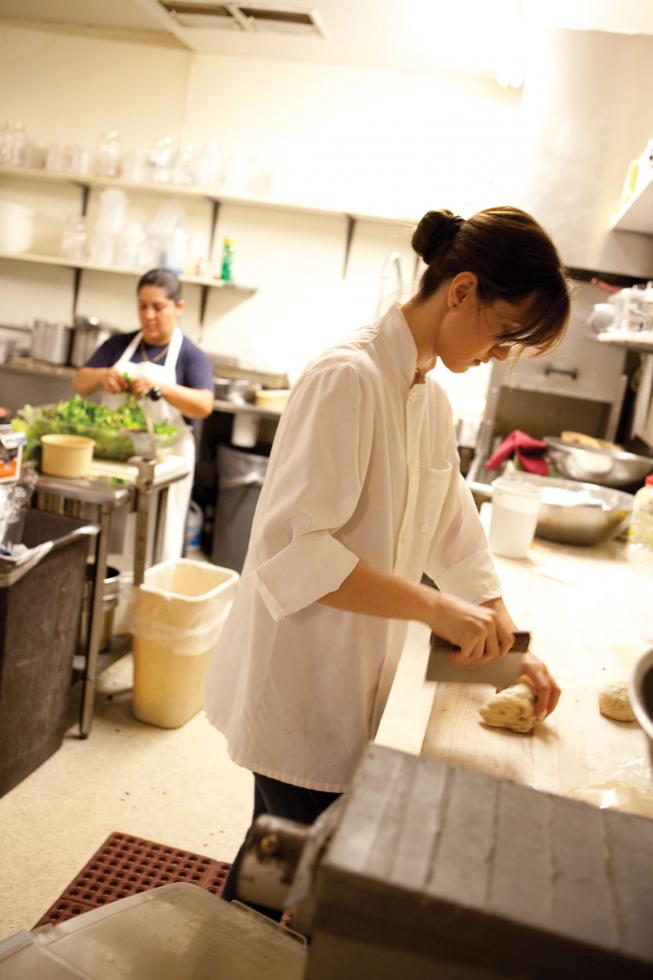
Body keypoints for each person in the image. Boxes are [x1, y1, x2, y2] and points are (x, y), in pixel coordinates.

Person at [205, 206, 571, 907]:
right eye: (501, 338)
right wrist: (438, 609)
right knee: (278, 870)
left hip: (356, 671)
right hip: (303, 675)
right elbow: (294, 550)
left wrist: (501, 635)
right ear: (461, 290)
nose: (496, 358)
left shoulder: (428, 399)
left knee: (304, 861)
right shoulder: (348, 378)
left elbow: (450, 522)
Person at [72, 268, 214, 560]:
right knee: (110, 538)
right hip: (117, 457)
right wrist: (103, 376)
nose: (148, 315)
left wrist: (162, 388)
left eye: (158, 307)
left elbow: (203, 405)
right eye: (142, 306)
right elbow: (80, 382)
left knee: (159, 540)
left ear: (179, 307)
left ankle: (151, 597)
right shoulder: (119, 345)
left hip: (167, 463)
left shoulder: (191, 356)